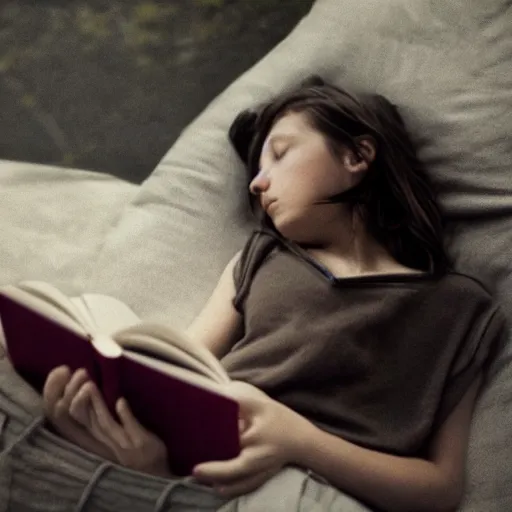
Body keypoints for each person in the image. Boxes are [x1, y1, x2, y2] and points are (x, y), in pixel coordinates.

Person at [42, 76, 506, 512]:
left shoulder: (460, 308)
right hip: (201, 473)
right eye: (256, 169)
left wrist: (297, 439)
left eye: (279, 154)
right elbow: (182, 367)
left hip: (318, 491)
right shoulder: (262, 258)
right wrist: (141, 450)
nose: (257, 183)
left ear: (356, 156)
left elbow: (441, 489)